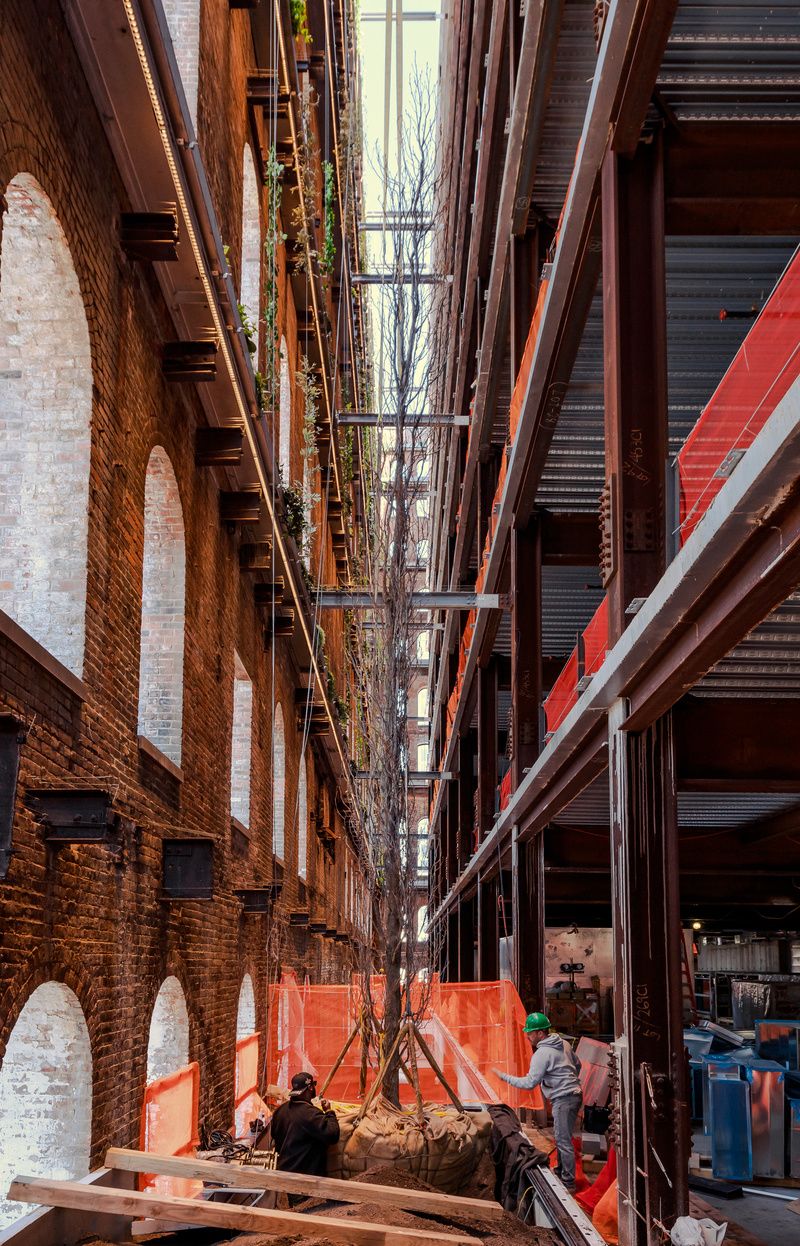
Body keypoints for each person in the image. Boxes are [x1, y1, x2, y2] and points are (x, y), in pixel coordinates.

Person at [492, 1011, 582, 1192]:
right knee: (562, 1137)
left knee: (563, 1140)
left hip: (563, 1099)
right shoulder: (563, 1043)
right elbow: (577, 1065)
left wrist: (504, 1077)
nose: (527, 1036)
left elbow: (529, 1082)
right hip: (575, 1094)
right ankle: (561, 1171)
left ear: (541, 1033)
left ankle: (568, 1183)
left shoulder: (542, 1054)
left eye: (530, 1033)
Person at [270, 1071, 340, 1178]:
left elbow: (275, 1137)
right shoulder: (310, 1114)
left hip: (285, 1173)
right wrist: (329, 1112)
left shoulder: (280, 1111)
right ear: (310, 1088)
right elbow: (333, 1135)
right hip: (305, 1178)